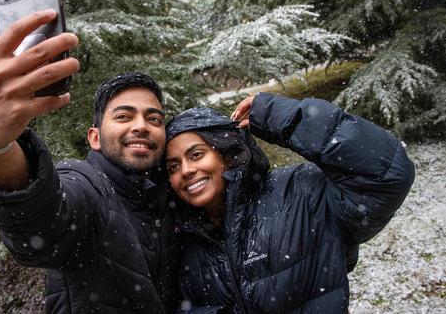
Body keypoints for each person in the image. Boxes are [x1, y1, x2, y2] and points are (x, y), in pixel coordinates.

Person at [0, 11, 180, 313]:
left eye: (153, 119)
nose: (141, 125)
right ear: (95, 138)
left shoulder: (168, 195)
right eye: (123, 116)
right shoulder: (86, 185)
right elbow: (41, 221)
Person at [164, 93, 415, 314]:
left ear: (226, 154)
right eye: (173, 166)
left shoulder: (300, 193)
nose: (186, 170)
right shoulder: (179, 237)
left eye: (196, 155)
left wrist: (283, 118)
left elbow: (386, 176)